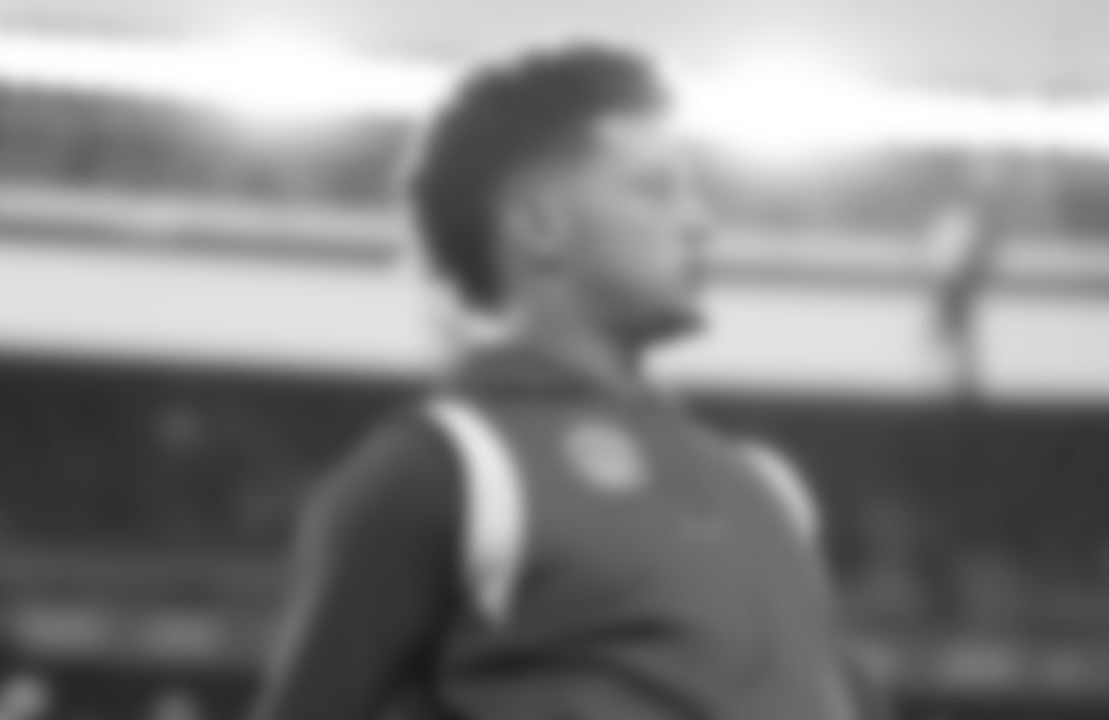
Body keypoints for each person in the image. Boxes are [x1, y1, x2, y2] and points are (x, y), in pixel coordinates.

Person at [253, 43, 886, 720]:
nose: (701, 223)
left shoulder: (769, 489)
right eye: (656, 189)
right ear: (538, 225)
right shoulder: (445, 469)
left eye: (694, 193)